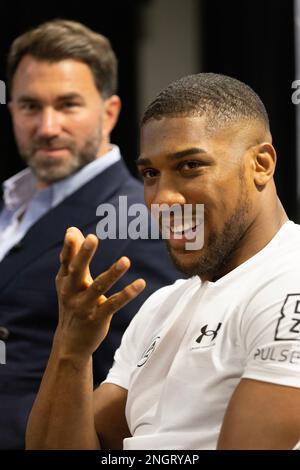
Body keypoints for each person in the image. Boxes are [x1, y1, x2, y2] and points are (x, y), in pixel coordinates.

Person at [26, 73, 300, 450]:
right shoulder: (163, 305)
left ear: (261, 164)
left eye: (190, 166)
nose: (162, 199)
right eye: (151, 174)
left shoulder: (290, 281)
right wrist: (71, 348)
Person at [0, 19, 180, 450]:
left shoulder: (145, 218)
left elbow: (141, 383)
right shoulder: (7, 200)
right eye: (29, 106)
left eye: (67, 105)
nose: (46, 126)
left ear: (110, 112)